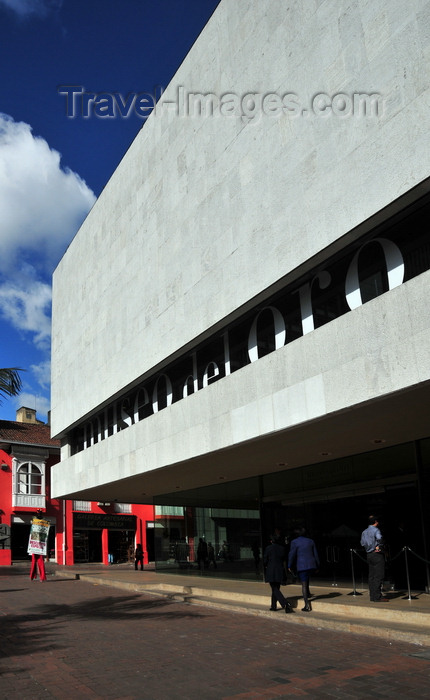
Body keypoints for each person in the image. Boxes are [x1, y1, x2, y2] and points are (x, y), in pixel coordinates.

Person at [288, 528, 319, 612]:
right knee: (306, 578)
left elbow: (292, 554)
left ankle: (307, 605)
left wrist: (289, 565)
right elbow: (315, 553)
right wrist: (317, 565)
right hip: (311, 564)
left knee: (304, 584)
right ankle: (308, 594)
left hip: (302, 565)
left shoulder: (294, 542)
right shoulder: (310, 541)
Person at [360, 515, 389, 602]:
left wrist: (368, 547)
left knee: (371, 576)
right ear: (376, 522)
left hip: (369, 554)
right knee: (378, 575)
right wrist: (378, 547)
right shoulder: (376, 530)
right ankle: (377, 596)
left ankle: (372, 596)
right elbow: (380, 539)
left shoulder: (364, 532)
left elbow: (362, 543)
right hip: (377, 554)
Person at [263, 534, 294, 613]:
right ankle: (273, 606)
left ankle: (285, 603)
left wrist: (266, 565)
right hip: (279, 569)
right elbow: (284, 559)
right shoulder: (282, 548)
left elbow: (265, 560)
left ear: (271, 541)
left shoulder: (268, 548)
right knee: (276, 588)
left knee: (274, 588)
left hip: (271, 570)